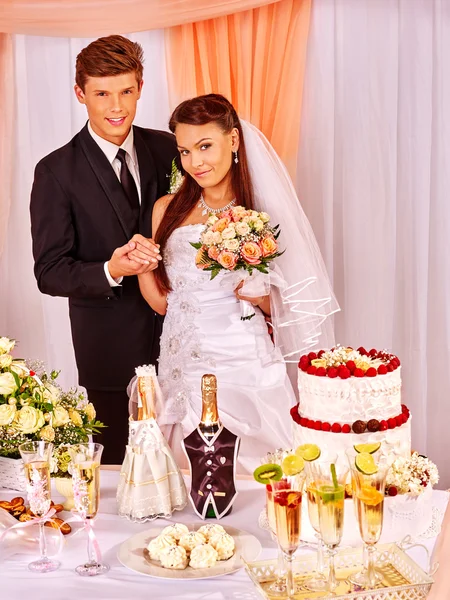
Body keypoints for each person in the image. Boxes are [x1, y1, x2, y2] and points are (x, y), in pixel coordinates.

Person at [133, 94, 339, 472]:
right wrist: (143, 264)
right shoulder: (167, 209)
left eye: (205, 146)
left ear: (233, 141)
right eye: (185, 151)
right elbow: (164, 304)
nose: (195, 162)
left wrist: (261, 294)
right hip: (180, 363)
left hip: (242, 360)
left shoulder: (263, 210)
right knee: (183, 471)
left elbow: (285, 303)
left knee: (255, 471)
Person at [30, 35, 177, 464]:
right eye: (102, 94)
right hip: (109, 350)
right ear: (80, 93)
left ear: (141, 87)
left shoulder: (170, 149)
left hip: (183, 339)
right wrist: (110, 269)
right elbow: (50, 271)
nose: (117, 107)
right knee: (119, 472)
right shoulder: (55, 171)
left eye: (126, 91)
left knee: (186, 467)